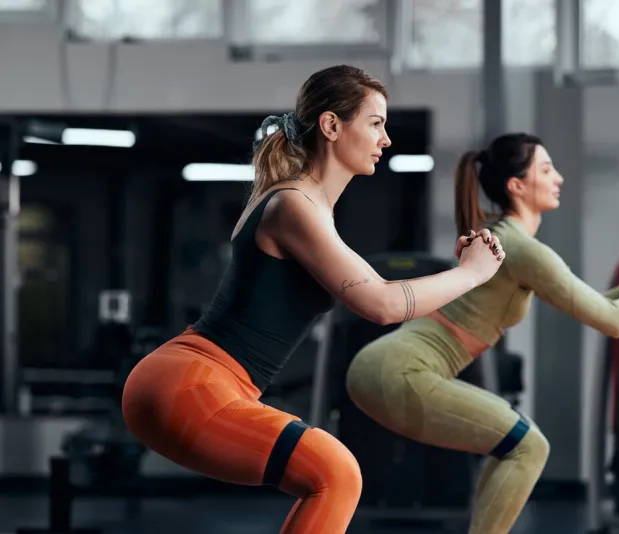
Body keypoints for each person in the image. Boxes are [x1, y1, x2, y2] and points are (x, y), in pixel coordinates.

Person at [121, 65, 505, 534]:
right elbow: (383, 305)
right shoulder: (293, 205)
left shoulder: (307, 207)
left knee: (328, 472)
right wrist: (471, 274)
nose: (386, 140)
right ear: (331, 125)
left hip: (201, 384)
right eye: (376, 123)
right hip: (190, 385)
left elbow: (383, 293)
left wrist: (465, 274)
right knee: (334, 471)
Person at [345, 132, 619, 534]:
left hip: (386, 367)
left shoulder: (505, 237)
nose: (558, 177)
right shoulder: (521, 248)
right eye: (546, 169)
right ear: (516, 186)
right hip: (399, 371)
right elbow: (614, 320)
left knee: (511, 446)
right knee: (530, 445)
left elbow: (600, 305)